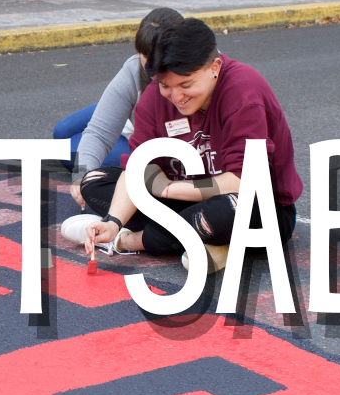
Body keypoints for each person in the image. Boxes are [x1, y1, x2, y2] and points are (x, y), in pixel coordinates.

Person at [61, 18, 302, 264]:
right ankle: (203, 240)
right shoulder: (155, 95)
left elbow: (244, 181)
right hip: (187, 199)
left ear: (215, 67)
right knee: (94, 182)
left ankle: (128, 241)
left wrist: (166, 189)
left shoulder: (242, 89)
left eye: (186, 85)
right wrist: (113, 221)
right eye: (166, 86)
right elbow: (138, 167)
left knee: (225, 211)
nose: (176, 97)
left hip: (256, 206)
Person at [54, 7, 184, 207]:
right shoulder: (135, 68)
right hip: (130, 119)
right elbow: (98, 132)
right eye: (144, 56)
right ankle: (121, 107)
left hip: (141, 142)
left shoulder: (199, 71)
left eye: (155, 59)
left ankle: (121, 111)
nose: (149, 66)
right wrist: (80, 178)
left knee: (66, 151)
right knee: (61, 131)